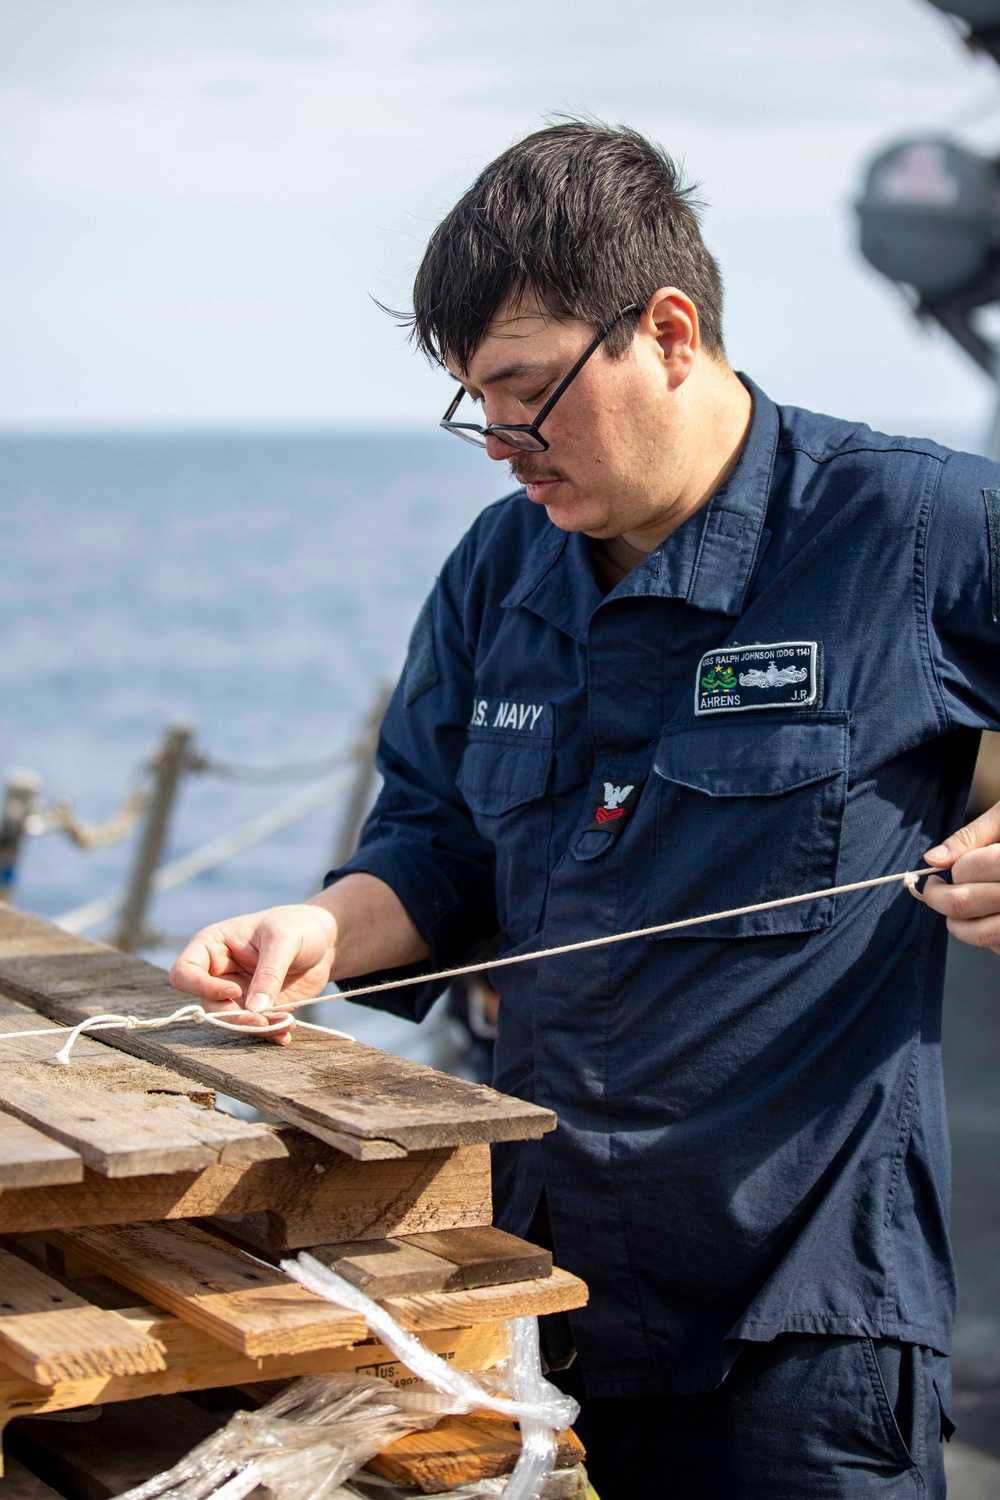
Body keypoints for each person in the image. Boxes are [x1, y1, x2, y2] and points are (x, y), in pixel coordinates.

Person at [170, 122, 1000, 1497]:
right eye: (472, 408)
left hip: (799, 1332)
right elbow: (432, 846)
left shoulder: (914, 529)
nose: (500, 449)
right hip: (530, 1297)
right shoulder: (500, 572)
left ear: (668, 331)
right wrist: (315, 930)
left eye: (526, 395)